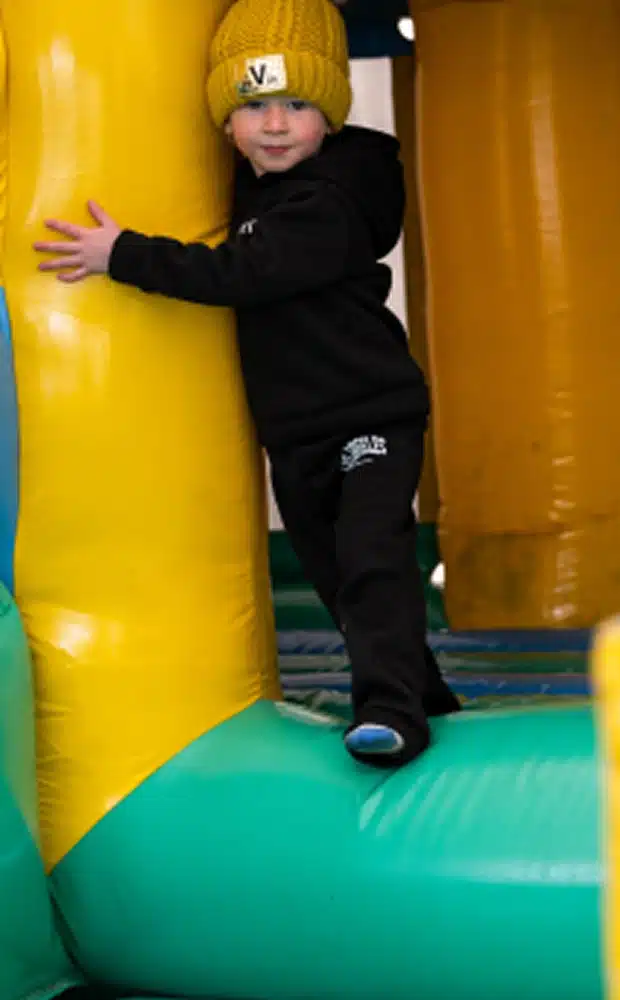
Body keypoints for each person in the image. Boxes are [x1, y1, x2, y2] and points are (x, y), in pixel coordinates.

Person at [33, 0, 461, 768]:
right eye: (253, 106)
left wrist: (122, 253)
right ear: (224, 124)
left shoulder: (329, 201)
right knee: (335, 575)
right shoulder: (253, 192)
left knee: (370, 556)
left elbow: (244, 273)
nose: (274, 124)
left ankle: (394, 711)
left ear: (328, 117)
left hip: (368, 412)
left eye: (297, 105)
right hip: (295, 431)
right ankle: (422, 695)